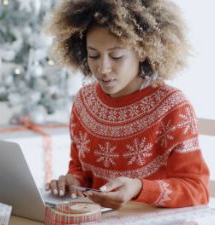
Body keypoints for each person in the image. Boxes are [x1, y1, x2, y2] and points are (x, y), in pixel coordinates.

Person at [45, 0, 210, 209]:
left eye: (116, 56)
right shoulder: (84, 101)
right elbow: (80, 169)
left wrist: (140, 188)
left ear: (142, 51)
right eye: (93, 55)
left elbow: (197, 190)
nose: (103, 68)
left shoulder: (173, 106)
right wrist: (72, 182)